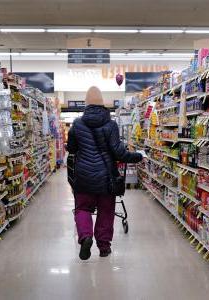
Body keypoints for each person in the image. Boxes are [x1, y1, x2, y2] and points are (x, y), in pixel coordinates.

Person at [67, 86, 142, 260]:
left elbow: (71, 148)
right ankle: (104, 246)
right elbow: (119, 153)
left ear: (86, 104)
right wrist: (137, 156)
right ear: (103, 104)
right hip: (106, 178)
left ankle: (85, 236)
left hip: (83, 177)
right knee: (106, 211)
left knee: (82, 209)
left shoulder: (77, 124)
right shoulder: (111, 125)